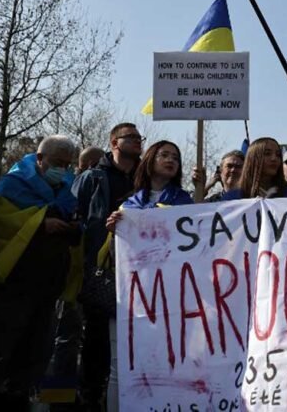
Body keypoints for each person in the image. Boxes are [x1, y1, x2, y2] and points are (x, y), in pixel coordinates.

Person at [0, 135, 79, 410]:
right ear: (40, 158)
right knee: (1, 349)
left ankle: (15, 401)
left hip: (49, 283)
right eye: (57, 163)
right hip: (15, 283)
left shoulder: (67, 188)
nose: (62, 170)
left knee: (35, 352)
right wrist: (40, 223)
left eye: (67, 164)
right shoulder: (13, 183)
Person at [101, 140, 192, 411]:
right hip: (129, 298)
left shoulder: (185, 202)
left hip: (169, 299)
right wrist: (112, 231)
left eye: (175, 157)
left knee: (167, 364)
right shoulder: (128, 205)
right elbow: (117, 256)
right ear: (150, 160)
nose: (171, 160)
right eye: (164, 155)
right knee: (121, 366)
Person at [71, 123, 142, 408]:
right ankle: (90, 396)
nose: (138, 142)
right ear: (114, 142)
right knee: (97, 340)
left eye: (140, 138)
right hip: (101, 271)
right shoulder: (93, 178)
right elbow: (76, 217)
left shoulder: (143, 179)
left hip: (138, 273)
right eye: (132, 138)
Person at [223, 137, 287, 199]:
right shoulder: (233, 197)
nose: (274, 158)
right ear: (253, 159)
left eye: (278, 154)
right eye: (267, 154)